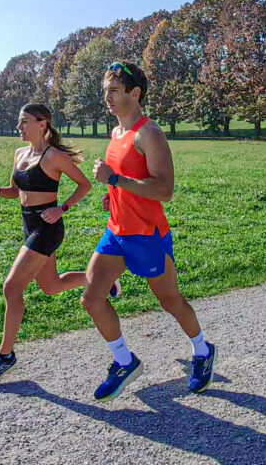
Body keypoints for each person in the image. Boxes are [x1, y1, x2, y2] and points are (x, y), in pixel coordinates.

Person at [83, 61, 217, 401]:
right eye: (105, 91)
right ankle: (124, 361)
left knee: (170, 301)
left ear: (135, 93)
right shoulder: (115, 134)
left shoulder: (149, 133)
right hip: (117, 230)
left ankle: (202, 351)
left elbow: (164, 190)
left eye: (114, 91)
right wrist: (111, 195)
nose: (107, 98)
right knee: (90, 297)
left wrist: (114, 179)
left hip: (147, 235)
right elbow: (126, 181)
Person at [0, 103, 119, 383]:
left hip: (47, 227)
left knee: (11, 287)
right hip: (28, 224)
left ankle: (5, 356)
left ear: (42, 124)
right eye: (19, 121)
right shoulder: (19, 154)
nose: (19, 127)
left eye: (24, 121)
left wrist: (61, 209)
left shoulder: (53, 156)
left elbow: (84, 185)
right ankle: (102, 283)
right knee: (51, 286)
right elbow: (16, 192)